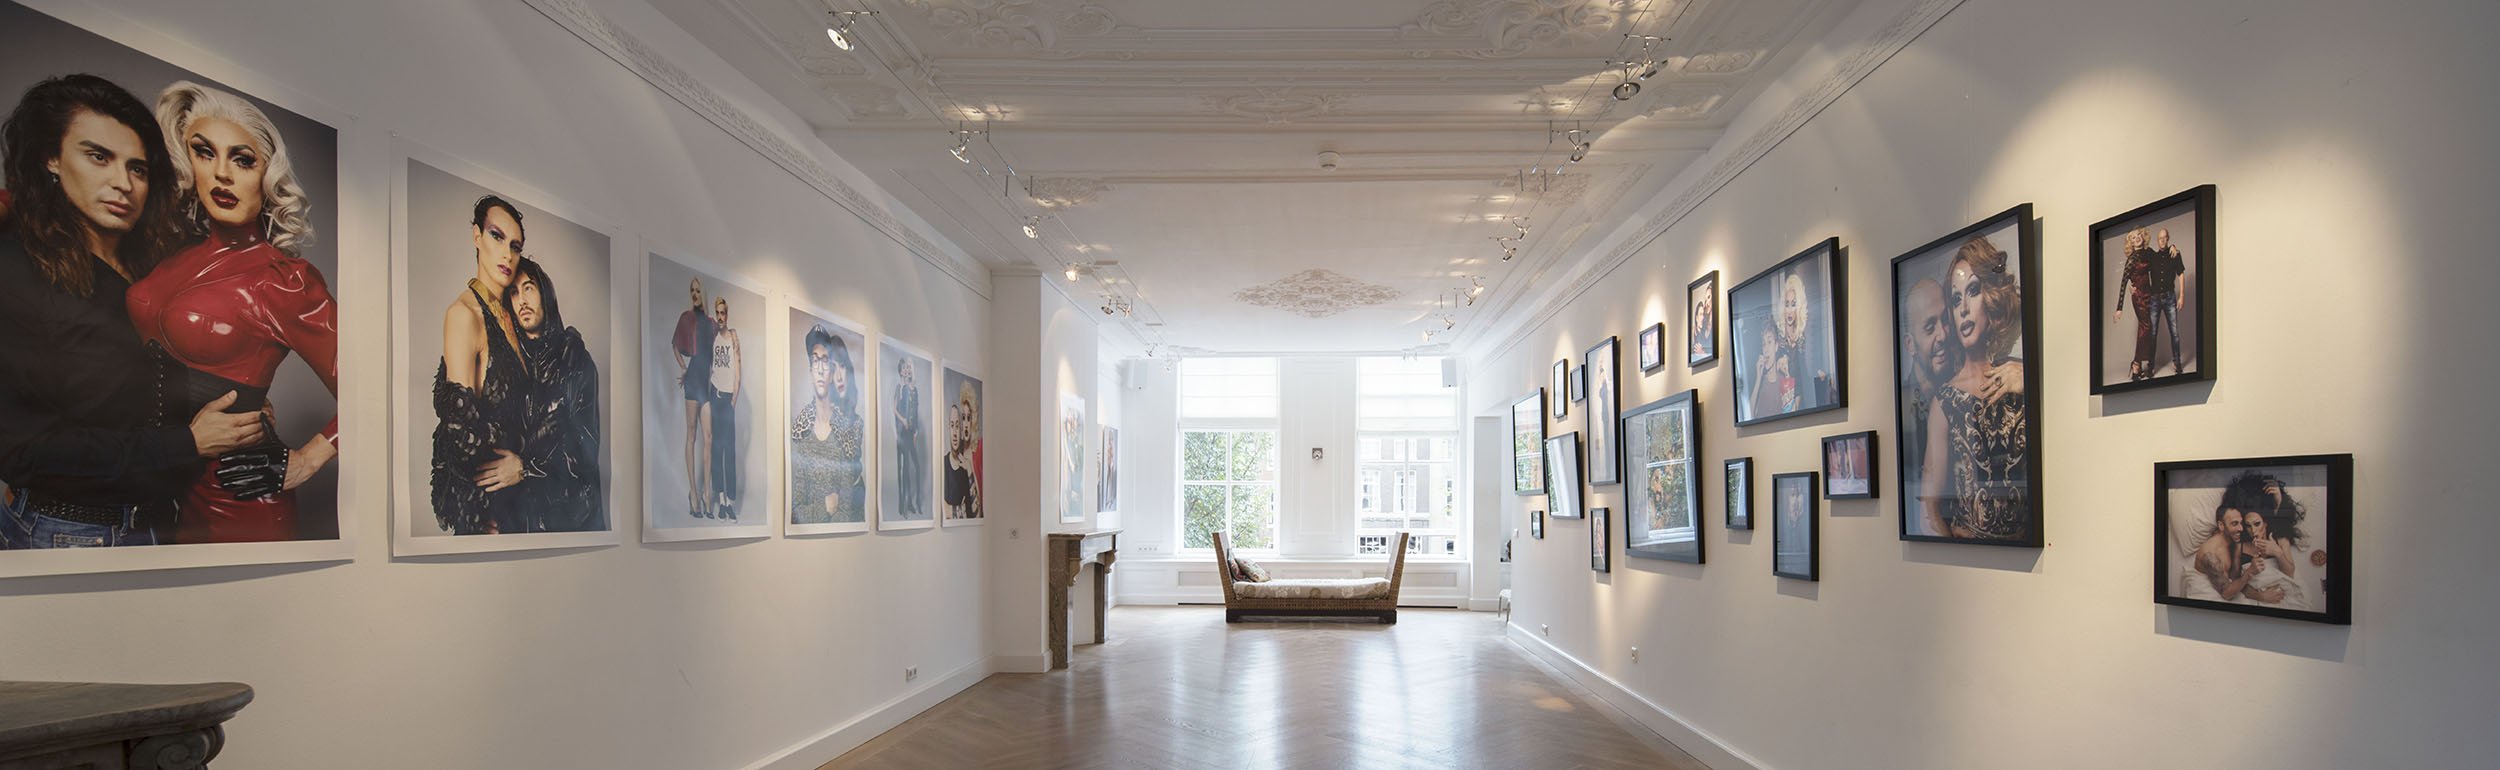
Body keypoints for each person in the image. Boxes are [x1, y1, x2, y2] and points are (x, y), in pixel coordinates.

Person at [1, 74, 262, 548]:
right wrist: (189, 442)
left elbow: (135, 389)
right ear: (51, 158)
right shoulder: (15, 269)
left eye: (138, 168)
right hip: (71, 532)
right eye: (98, 157)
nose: (123, 183)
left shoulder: (157, 262)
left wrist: (235, 408)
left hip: (166, 521)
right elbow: (21, 449)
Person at [124, 81, 339, 544]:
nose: (222, 173)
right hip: (148, 487)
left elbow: (373, 389)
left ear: (267, 175)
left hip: (234, 501)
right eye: (205, 153)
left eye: (242, 160)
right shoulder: (171, 250)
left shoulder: (285, 281)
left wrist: (307, 460)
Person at [1915, 237, 2029, 540]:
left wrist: (2028, 383)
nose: (1963, 308)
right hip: (1969, 557)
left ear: (1991, 296)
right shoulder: (1945, 401)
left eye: (1973, 291)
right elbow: (1929, 510)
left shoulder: (2021, 376)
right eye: (1955, 300)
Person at [431, 195, 531, 535]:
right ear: (476, 236)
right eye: (496, 236)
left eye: (515, 246)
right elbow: (460, 433)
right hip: (489, 514)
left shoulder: (514, 318)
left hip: (524, 502)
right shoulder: (464, 315)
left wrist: (526, 465)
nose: (507, 254)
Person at [508, 257, 602, 532]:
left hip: (571, 521)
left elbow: (586, 455)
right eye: (514, 292)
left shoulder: (575, 360)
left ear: (545, 295)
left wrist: (525, 466)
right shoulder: (509, 365)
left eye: (528, 288)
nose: (522, 300)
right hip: (520, 524)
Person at [789, 326, 864, 523]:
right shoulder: (800, 432)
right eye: (815, 361)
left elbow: (845, 511)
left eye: (825, 361)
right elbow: (795, 514)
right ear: (810, 371)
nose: (821, 369)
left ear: (831, 372)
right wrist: (825, 506)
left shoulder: (845, 432)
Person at [670, 276, 713, 518]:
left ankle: (707, 492)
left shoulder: (711, 323)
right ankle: (694, 494)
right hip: (693, 378)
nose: (695, 294)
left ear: (703, 292)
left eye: (698, 290)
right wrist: (683, 368)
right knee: (692, 434)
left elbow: (714, 354)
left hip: (706, 382)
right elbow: (675, 345)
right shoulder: (686, 317)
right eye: (692, 290)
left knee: (709, 437)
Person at [706, 296, 741, 520]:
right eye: (717, 313)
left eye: (723, 313)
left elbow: (738, 373)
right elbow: (709, 367)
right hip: (715, 396)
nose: (720, 317)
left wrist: (733, 402)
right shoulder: (713, 338)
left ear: (727, 314)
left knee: (730, 451)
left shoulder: (733, 337)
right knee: (717, 450)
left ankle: (730, 500)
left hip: (728, 400)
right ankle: (721, 501)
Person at [893, 358, 924, 518]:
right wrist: (902, 420)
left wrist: (916, 430)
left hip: (911, 432)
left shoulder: (913, 390)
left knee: (916, 467)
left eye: (908, 368)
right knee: (904, 469)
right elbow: (894, 409)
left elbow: (915, 412)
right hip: (902, 433)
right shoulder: (900, 388)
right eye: (904, 369)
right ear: (900, 371)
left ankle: (915, 502)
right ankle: (904, 506)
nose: (906, 371)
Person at [1689, 286, 1714, 361]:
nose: (1706, 303)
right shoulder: (1701, 329)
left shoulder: (1712, 326)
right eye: (1706, 299)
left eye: (1709, 297)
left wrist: (1703, 353)